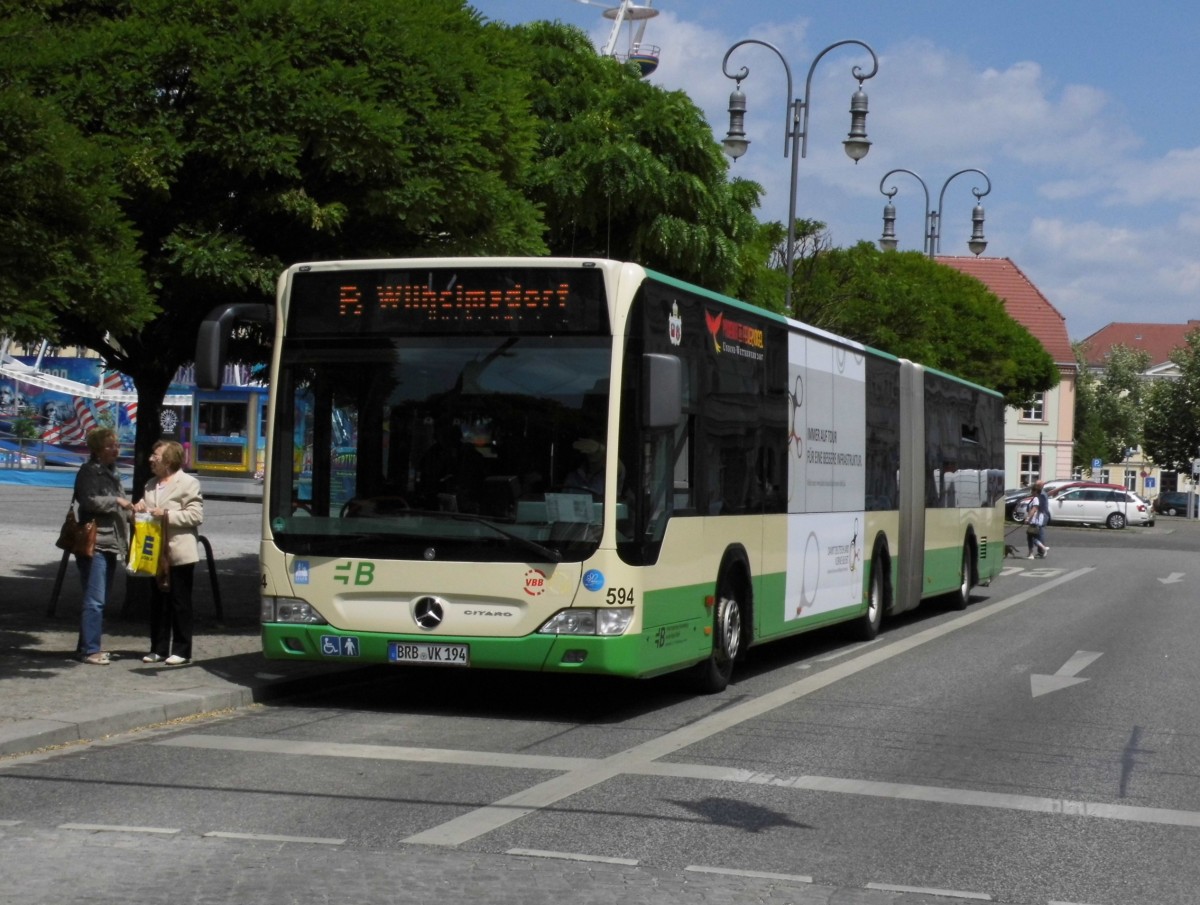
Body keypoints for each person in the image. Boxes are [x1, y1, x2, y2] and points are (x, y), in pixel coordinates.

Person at [135, 440, 204, 666]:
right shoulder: (150, 484)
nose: (151, 459)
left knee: (180, 602)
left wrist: (166, 514)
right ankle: (158, 648)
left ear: (169, 460)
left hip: (178, 551)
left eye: (156, 455)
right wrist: (138, 509)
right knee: (158, 602)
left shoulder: (188, 483)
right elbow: (142, 513)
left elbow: (195, 516)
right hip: (154, 552)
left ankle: (182, 650)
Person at [74, 427, 134, 665]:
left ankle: (85, 646)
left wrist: (133, 513)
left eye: (117, 445)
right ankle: (90, 650)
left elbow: (119, 507)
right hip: (95, 543)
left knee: (99, 599)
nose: (115, 450)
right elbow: (87, 500)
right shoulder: (89, 471)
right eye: (110, 446)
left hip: (112, 542)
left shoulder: (113, 472)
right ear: (97, 449)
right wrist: (116, 500)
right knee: (95, 600)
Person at [1025, 480, 1050, 559]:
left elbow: (1035, 508)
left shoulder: (1038, 497)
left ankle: (1040, 550)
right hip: (1036, 519)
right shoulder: (1038, 496)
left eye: (1032, 490)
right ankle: (1040, 550)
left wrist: (1028, 518)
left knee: (1033, 536)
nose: (1031, 492)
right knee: (1034, 536)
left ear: (1036, 490)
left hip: (1035, 520)